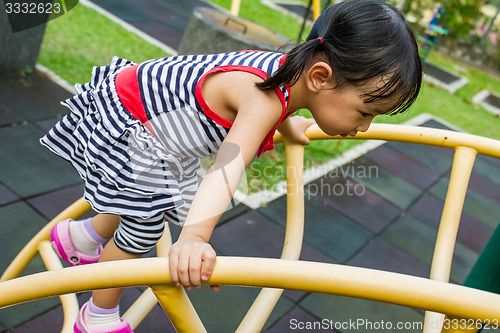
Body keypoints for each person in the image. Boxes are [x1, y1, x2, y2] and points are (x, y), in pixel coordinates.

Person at [41, 0, 422, 331]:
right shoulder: (263, 98)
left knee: (143, 197)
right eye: (365, 111)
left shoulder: (289, 70)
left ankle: (82, 238)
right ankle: (97, 316)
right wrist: (193, 238)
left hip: (145, 112)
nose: (364, 127)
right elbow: (225, 170)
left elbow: (282, 103)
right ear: (320, 77)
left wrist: (290, 126)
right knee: (144, 224)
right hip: (134, 124)